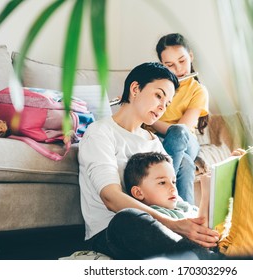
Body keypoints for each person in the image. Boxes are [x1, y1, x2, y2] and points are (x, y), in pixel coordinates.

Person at [78, 62, 220, 260]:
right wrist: (172, 225)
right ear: (135, 89)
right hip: (112, 232)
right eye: (158, 95)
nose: (163, 107)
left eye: (168, 103)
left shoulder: (154, 143)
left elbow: (174, 201)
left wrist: (191, 223)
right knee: (127, 218)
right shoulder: (100, 133)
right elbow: (110, 197)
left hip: (161, 227)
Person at [149, 33, 209, 205]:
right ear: (162, 65)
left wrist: (151, 121)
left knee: (178, 132)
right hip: (158, 140)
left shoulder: (198, 90)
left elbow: (182, 128)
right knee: (186, 164)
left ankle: (159, 192)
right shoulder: (155, 83)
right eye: (170, 65)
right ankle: (185, 218)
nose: (178, 69)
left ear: (190, 56)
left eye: (182, 61)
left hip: (186, 141)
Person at [124, 152, 211, 228]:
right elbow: (202, 233)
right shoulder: (155, 217)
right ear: (138, 193)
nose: (173, 188)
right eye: (162, 182)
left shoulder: (181, 206)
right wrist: (207, 194)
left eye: (173, 182)